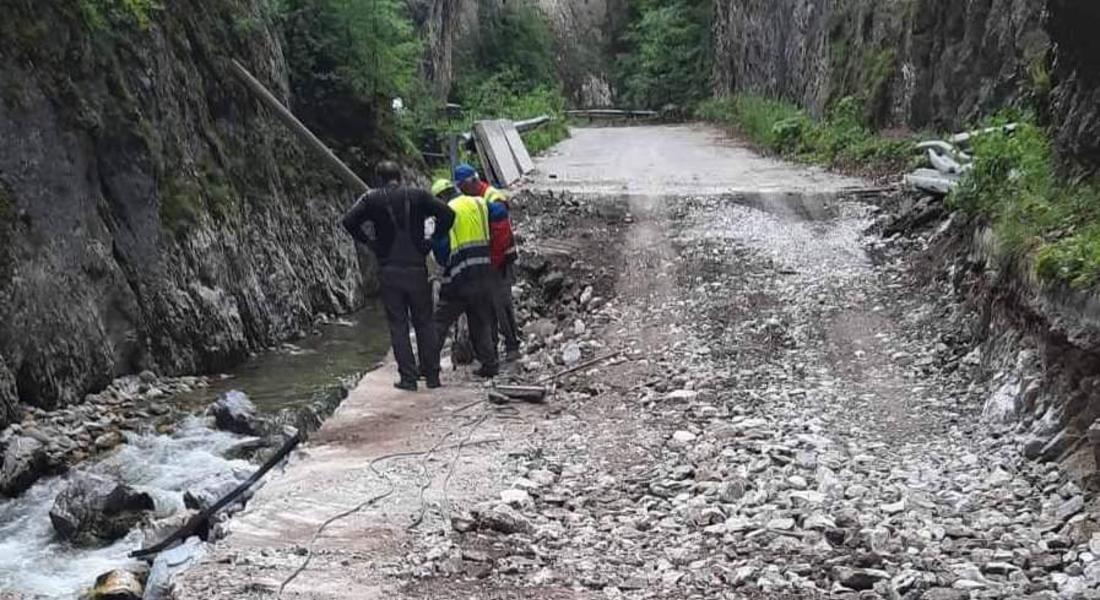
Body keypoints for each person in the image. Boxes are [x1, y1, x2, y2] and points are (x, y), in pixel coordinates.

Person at [342, 161, 454, 391]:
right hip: (416, 269)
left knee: (398, 326)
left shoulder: (371, 198)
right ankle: (432, 377)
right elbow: (448, 214)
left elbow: (349, 220)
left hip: (389, 269)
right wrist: (431, 241)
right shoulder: (419, 195)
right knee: (424, 323)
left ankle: (408, 378)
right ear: (400, 177)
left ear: (379, 179)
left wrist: (370, 243)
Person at [430, 179, 499, 378]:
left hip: (460, 277)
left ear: (441, 197)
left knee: (439, 322)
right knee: (480, 321)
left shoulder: (447, 211)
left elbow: (442, 252)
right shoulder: (478, 202)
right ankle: (490, 364)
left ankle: (428, 366)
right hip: (484, 272)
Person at [453, 164, 522, 361]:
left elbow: (500, 234)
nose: (461, 191)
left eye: (462, 187)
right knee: (488, 305)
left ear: (472, 182)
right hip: (487, 260)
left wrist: (492, 261)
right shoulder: (476, 198)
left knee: (502, 304)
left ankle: (511, 346)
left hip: (499, 261)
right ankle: (492, 348)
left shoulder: (492, 197)